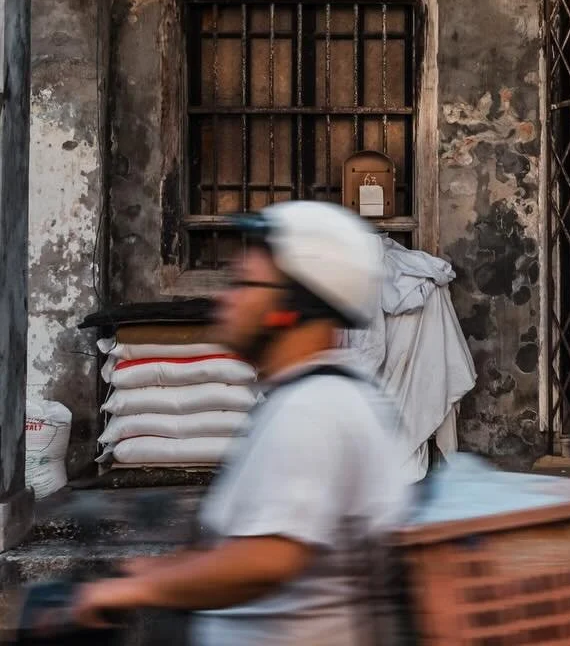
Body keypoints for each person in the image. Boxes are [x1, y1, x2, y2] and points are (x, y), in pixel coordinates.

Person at [71, 203, 412, 646]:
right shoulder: (313, 394)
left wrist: (135, 589)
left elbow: (267, 560)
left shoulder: (312, 409)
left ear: (288, 307)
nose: (227, 299)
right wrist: (161, 570)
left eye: (245, 284)